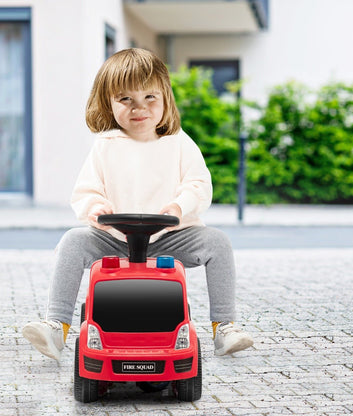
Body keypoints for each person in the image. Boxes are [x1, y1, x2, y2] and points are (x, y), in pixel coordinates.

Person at [22, 48, 253, 361]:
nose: (138, 108)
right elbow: (87, 189)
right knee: (73, 241)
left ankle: (224, 325)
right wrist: (97, 207)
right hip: (115, 238)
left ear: (165, 99)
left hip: (170, 237)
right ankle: (56, 326)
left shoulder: (179, 142)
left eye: (149, 98)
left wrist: (178, 207)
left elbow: (198, 185)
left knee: (218, 242)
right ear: (108, 102)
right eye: (125, 99)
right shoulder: (105, 146)